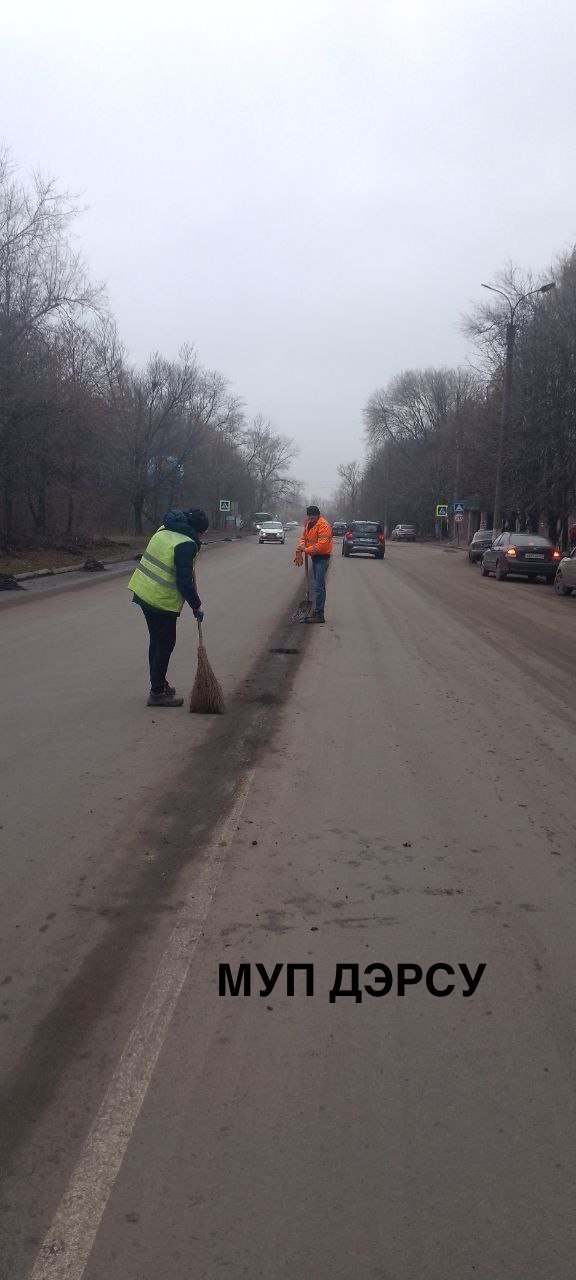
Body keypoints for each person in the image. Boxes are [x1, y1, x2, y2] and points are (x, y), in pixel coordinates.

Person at [128, 508, 210, 706]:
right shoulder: (185, 544)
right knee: (165, 644)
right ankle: (156, 693)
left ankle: (159, 683)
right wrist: (196, 606)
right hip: (160, 599)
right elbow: (184, 582)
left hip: (143, 592)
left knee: (156, 641)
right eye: (201, 533)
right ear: (196, 530)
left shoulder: (164, 529)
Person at [294, 504, 333, 623]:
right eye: (309, 515)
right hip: (315, 557)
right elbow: (303, 538)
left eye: (313, 515)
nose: (311, 517)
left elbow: (322, 545)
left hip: (322, 558)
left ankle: (319, 614)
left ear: (318, 515)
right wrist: (299, 550)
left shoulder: (323, 525)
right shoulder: (308, 523)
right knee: (317, 585)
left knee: (319, 586)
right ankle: (317, 611)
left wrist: (306, 550)